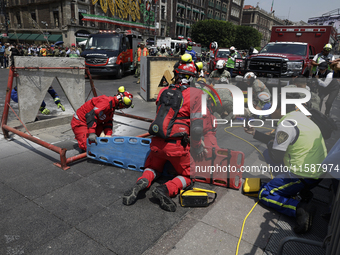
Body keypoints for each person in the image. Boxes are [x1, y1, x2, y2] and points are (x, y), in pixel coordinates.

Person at [122, 61, 202, 212]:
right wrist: (197, 146)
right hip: (177, 147)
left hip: (157, 143)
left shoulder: (163, 91)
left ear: (176, 74)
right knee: (188, 176)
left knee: (153, 167)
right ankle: (165, 189)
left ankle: (142, 182)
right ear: (192, 77)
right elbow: (197, 126)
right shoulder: (197, 94)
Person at [244, 94, 327, 234]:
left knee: (265, 193)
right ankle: (296, 190)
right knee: (267, 154)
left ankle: (299, 209)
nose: (268, 111)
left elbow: (276, 157)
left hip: (304, 174)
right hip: (318, 173)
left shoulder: (286, 125)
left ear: (279, 108)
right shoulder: (300, 118)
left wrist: (271, 143)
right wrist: (255, 133)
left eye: (270, 108)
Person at [71, 86, 133, 151]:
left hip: (94, 121)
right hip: (81, 122)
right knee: (89, 146)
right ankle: (84, 142)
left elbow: (108, 121)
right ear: (121, 103)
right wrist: (92, 133)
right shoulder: (106, 103)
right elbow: (90, 115)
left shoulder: (112, 106)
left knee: (101, 140)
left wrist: (108, 135)